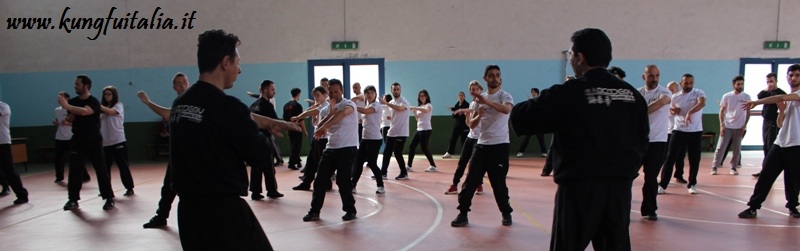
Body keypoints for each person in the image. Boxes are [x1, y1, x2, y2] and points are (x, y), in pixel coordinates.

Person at [510, 28, 648, 250]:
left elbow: (521, 118)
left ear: (580, 57)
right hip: (620, 189)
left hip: (579, 190)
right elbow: (643, 141)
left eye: (572, 55)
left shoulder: (572, 92)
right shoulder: (633, 95)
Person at [171, 29, 298, 250]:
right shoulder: (228, 107)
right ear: (226, 62)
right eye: (238, 63)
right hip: (223, 213)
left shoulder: (181, 104)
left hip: (189, 213)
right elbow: (260, 156)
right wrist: (264, 133)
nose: (239, 70)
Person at [450, 65, 514, 228]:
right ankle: (463, 213)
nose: (495, 78)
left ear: (500, 78)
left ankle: (506, 213)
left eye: (497, 75)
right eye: (491, 75)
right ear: (485, 78)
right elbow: (472, 125)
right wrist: (479, 114)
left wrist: (486, 102)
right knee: (470, 181)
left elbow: (506, 110)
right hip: (482, 145)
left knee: (498, 183)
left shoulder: (504, 96)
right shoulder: (477, 101)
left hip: (500, 146)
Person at [738, 64, 800, 219]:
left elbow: (780, 97)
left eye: (797, 75)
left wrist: (756, 103)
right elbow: (780, 124)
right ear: (787, 77)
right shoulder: (789, 99)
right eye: (791, 75)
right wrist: (782, 111)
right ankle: (753, 207)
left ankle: (793, 207)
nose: (793, 78)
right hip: (780, 143)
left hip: (796, 144)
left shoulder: (795, 95)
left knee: (793, 179)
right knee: (766, 175)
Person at [302, 79, 359, 222]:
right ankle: (314, 211)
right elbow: (318, 125)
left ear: (342, 91)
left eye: (336, 91)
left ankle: (350, 210)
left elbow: (341, 115)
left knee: (343, 181)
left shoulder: (349, 104)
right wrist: (329, 113)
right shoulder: (328, 107)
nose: (334, 94)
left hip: (347, 148)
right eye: (331, 92)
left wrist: (326, 125)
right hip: (331, 148)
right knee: (319, 180)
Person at [137, 72, 189, 228]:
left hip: (192, 154)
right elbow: (167, 114)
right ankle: (161, 216)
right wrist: (148, 102)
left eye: (184, 82)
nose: (182, 85)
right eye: (179, 83)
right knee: (168, 187)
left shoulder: (192, 101)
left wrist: (148, 102)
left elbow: (167, 114)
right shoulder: (178, 102)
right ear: (174, 87)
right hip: (178, 154)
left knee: (191, 189)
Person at [58, 75, 116, 211]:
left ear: (86, 86)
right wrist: (69, 113)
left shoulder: (94, 101)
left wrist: (67, 106)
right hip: (78, 139)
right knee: (75, 170)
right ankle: (73, 199)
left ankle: (109, 197)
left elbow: (85, 112)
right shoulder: (73, 101)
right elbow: (70, 118)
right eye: (75, 84)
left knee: (100, 168)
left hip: (93, 139)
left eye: (77, 84)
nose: (75, 86)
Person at [660, 73, 706, 194]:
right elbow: (670, 111)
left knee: (694, 159)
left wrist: (690, 112)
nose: (689, 85)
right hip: (678, 130)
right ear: (681, 83)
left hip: (695, 131)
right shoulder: (675, 97)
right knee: (670, 158)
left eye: (691, 83)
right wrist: (674, 111)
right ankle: (663, 185)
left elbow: (701, 103)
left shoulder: (698, 93)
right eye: (686, 83)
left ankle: (692, 184)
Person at [637, 65, 671, 221]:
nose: (654, 79)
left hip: (657, 142)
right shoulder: (637, 93)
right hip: (638, 142)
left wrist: (638, 112)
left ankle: (650, 210)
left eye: (657, 75)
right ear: (644, 77)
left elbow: (661, 103)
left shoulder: (664, 92)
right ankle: (618, 207)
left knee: (651, 178)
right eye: (651, 76)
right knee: (626, 175)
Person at [445, 81, 484, 195]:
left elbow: (474, 122)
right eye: (471, 89)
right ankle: (454, 185)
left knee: (475, 165)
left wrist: (463, 111)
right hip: (470, 137)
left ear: (480, 90)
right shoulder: (471, 104)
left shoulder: (483, 104)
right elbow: (469, 124)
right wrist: (466, 114)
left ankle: (479, 185)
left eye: (475, 89)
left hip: (479, 139)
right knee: (462, 162)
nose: (473, 91)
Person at [248, 80, 284, 199]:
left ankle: (255, 191)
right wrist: (287, 125)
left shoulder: (253, 105)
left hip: (254, 139)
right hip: (264, 138)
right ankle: (271, 190)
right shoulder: (267, 105)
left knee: (256, 166)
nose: (274, 92)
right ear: (265, 90)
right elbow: (274, 122)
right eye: (272, 89)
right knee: (269, 166)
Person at [710, 76, 751, 175]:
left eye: (742, 84)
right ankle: (714, 167)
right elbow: (721, 111)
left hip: (740, 127)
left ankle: (733, 167)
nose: (740, 86)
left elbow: (748, 112)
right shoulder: (727, 96)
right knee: (720, 147)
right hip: (727, 126)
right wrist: (722, 125)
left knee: (737, 149)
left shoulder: (746, 97)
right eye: (738, 84)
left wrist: (744, 126)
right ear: (733, 85)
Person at [292, 86, 330, 190]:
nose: (316, 98)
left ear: (325, 95)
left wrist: (298, 117)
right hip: (317, 138)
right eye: (314, 96)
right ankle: (307, 182)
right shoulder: (320, 106)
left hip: (323, 139)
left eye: (318, 95)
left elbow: (310, 113)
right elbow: (314, 120)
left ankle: (325, 183)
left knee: (319, 162)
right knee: (311, 161)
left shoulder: (325, 106)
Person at [99, 86, 135, 196]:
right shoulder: (101, 110)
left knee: (123, 166)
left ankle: (129, 187)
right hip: (105, 142)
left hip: (118, 141)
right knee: (105, 168)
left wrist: (97, 106)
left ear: (114, 95)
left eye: (109, 94)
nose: (107, 96)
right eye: (105, 94)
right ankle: (106, 189)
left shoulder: (118, 106)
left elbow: (111, 112)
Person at [351, 85, 386, 194]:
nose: (370, 94)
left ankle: (380, 185)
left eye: (372, 92)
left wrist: (352, 105)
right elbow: (365, 118)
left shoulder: (377, 105)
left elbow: (366, 111)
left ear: (375, 94)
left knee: (372, 163)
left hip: (375, 139)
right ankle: (353, 185)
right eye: (367, 93)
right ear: (365, 95)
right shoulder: (367, 105)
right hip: (365, 138)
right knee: (358, 163)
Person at [753, 73, 786, 177]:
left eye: (771, 81)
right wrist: (767, 89)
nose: (770, 84)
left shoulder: (780, 93)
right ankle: (765, 169)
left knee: (770, 145)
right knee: (765, 146)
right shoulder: (766, 92)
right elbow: (759, 96)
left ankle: (769, 170)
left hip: (774, 121)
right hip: (765, 121)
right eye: (768, 82)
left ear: (776, 81)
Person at [53, 91, 88, 183]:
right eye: (58, 98)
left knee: (75, 157)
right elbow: (58, 120)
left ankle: (84, 175)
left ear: (67, 99)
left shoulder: (73, 109)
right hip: (59, 137)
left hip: (70, 137)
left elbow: (76, 122)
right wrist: (56, 122)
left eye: (62, 97)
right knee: (58, 158)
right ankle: (59, 176)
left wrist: (68, 123)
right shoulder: (57, 110)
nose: (59, 99)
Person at [380, 83, 411, 180]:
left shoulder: (404, 101)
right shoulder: (392, 102)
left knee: (397, 152)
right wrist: (391, 117)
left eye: (397, 89)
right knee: (387, 152)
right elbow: (395, 115)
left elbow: (400, 108)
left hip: (401, 132)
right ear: (391, 90)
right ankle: (383, 173)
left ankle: (404, 173)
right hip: (392, 131)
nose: (396, 91)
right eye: (394, 89)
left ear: (400, 90)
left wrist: (386, 103)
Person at [0, 101, 29, 205]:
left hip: (2, 142)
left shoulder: (3, 106)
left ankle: (22, 194)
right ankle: (5, 185)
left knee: (9, 169)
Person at [407, 89, 437, 172]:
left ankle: (433, 166)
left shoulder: (429, 105)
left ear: (426, 96)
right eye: (420, 96)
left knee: (424, 148)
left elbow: (426, 110)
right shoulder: (419, 107)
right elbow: (418, 119)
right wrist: (415, 112)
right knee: (412, 146)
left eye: (423, 96)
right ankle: (409, 166)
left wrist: (414, 107)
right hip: (419, 129)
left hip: (426, 130)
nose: (422, 97)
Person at [666, 81, 687, 184]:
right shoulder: (666, 100)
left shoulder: (681, 100)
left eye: (672, 89)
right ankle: (665, 177)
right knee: (668, 156)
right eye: (669, 89)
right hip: (669, 132)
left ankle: (679, 175)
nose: (670, 91)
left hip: (680, 130)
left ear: (677, 88)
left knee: (680, 155)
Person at [516, 88, 548, 157]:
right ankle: (520, 152)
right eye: (532, 92)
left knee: (541, 139)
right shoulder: (529, 102)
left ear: (537, 93)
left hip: (539, 124)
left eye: (533, 92)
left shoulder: (541, 101)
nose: (532, 93)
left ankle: (544, 152)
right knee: (526, 139)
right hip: (530, 124)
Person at [283, 88, 306, 170]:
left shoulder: (286, 105)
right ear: (298, 94)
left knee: (293, 145)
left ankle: (298, 161)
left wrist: (287, 129)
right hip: (297, 128)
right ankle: (291, 163)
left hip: (289, 127)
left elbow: (285, 119)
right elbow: (301, 119)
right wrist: (305, 131)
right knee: (296, 146)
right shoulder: (298, 106)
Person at [442, 91, 470, 159]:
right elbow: (454, 114)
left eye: (462, 95)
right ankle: (449, 153)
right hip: (457, 125)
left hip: (465, 125)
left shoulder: (467, 104)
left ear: (464, 97)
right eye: (459, 95)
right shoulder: (457, 104)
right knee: (452, 139)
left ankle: (465, 154)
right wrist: (455, 113)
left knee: (464, 140)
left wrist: (461, 112)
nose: (461, 96)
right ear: (458, 97)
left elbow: (467, 112)